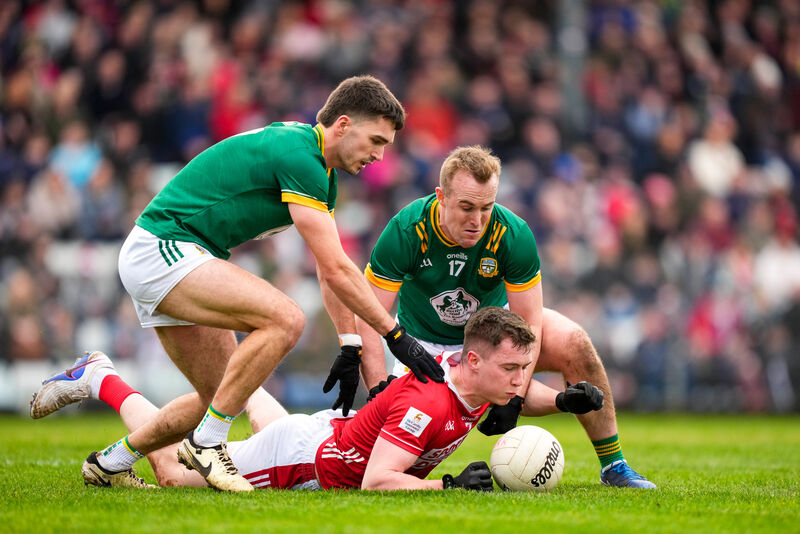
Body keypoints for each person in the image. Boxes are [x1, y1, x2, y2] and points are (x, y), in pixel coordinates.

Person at [29, 75, 445, 493]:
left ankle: (107, 450)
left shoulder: (318, 168)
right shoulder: (302, 157)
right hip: (164, 249)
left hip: (179, 254)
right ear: (342, 125)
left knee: (220, 394)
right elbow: (337, 268)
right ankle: (207, 444)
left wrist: (350, 343)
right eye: (376, 140)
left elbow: (325, 266)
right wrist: (394, 335)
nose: (379, 155)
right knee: (286, 319)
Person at [351, 145, 657, 489]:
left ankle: (615, 466)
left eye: (486, 207)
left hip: (495, 336)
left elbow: (530, 325)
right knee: (398, 466)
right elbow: (368, 313)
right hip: (419, 345)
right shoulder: (406, 230)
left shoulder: (513, 234)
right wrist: (378, 388)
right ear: (441, 196)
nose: (477, 220)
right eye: (466, 207)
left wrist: (515, 397)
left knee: (574, 341)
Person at [32, 307, 602, 491]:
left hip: (324, 434)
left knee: (244, 397)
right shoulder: (429, 402)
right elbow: (381, 480)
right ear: (472, 360)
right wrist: (448, 486)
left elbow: (513, 398)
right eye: (513, 368)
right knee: (172, 474)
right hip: (304, 461)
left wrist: (565, 402)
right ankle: (100, 376)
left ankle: (227, 387)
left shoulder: (475, 381)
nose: (520, 380)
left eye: (525, 369)